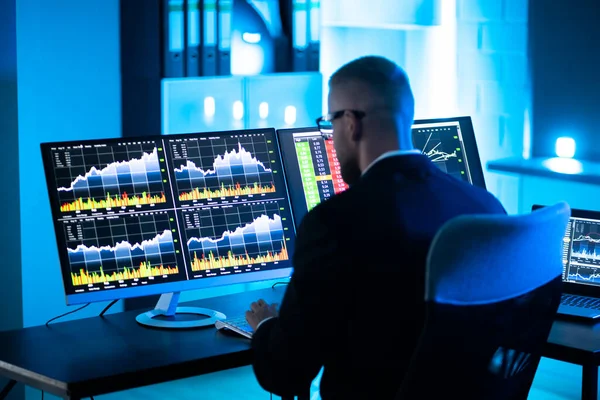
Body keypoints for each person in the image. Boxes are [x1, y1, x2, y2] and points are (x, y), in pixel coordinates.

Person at [245, 56, 506, 399]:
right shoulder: (485, 207)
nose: (333, 137)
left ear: (351, 123)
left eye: (330, 123)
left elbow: (285, 372)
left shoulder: (334, 223)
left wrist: (266, 324)